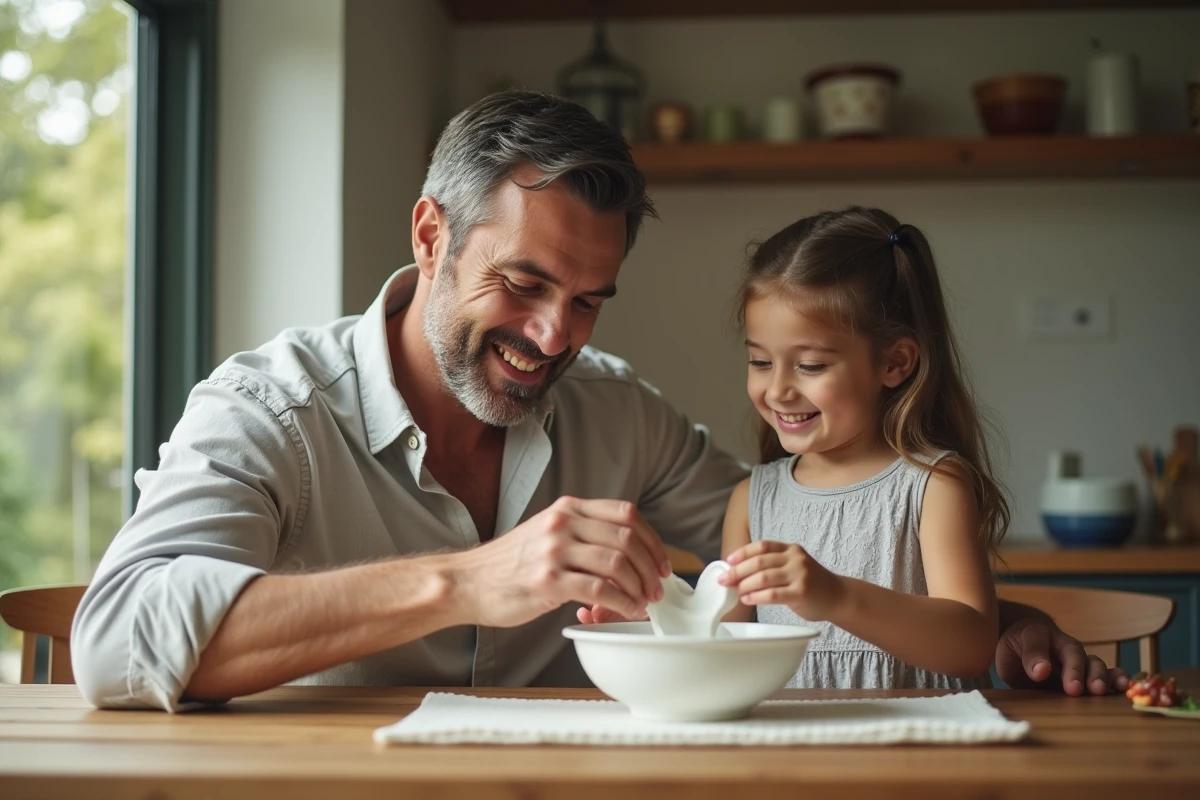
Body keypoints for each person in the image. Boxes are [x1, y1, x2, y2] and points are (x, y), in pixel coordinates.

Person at [71, 91, 1125, 711]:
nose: (552, 337)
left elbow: (805, 538)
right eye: (524, 285)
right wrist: (464, 580)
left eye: (586, 302)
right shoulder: (272, 408)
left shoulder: (617, 413)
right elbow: (115, 638)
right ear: (431, 236)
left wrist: (1000, 620)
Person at [717, 208, 1003, 689]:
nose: (778, 390)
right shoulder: (751, 500)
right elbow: (722, 654)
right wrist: (649, 622)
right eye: (760, 361)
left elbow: (972, 647)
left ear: (894, 362)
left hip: (921, 751)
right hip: (791, 757)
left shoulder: (934, 486)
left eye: (809, 365)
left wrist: (835, 596)